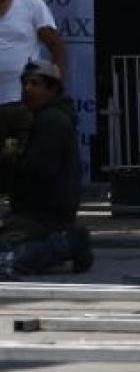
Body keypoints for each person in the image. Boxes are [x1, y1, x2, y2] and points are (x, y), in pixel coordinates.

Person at [0, 60, 92, 276]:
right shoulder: (40, 118)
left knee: (9, 257)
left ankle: (68, 243)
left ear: (52, 89)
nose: (28, 89)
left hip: (44, 216)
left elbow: (40, 168)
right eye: (25, 84)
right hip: (32, 213)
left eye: (35, 84)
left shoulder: (52, 121)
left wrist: (12, 157)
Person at [0, 0, 67, 152]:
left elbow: (56, 47)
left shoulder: (30, 4)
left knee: (17, 160)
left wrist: (54, 91)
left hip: (21, 103)